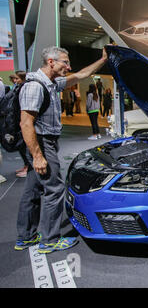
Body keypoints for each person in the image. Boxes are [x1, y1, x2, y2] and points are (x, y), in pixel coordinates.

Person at [15, 46, 108, 253]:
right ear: (50, 62)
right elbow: (26, 124)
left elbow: (81, 75)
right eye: (64, 62)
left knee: (32, 189)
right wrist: (38, 156)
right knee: (54, 189)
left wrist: (102, 60)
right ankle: (49, 240)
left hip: (43, 142)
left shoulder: (51, 83)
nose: (68, 66)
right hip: (41, 142)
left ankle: (26, 237)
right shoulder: (35, 86)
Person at [13, 71, 31, 178]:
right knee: (21, 146)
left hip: (23, 120)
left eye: (17, 78)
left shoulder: (25, 88)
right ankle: (26, 165)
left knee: (25, 145)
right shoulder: (18, 88)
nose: (15, 81)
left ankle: (28, 167)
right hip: (18, 120)